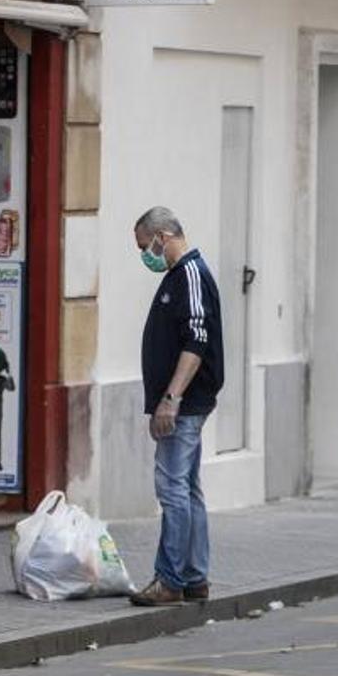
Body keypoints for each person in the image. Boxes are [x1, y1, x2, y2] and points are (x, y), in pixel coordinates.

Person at [130, 206, 224, 607]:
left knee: (172, 489)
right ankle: (193, 576)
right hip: (184, 401)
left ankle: (170, 580)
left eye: (144, 246)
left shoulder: (189, 275)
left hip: (184, 403)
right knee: (188, 488)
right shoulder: (180, 276)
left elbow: (196, 341)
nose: (144, 254)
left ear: (163, 236)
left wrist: (171, 399)